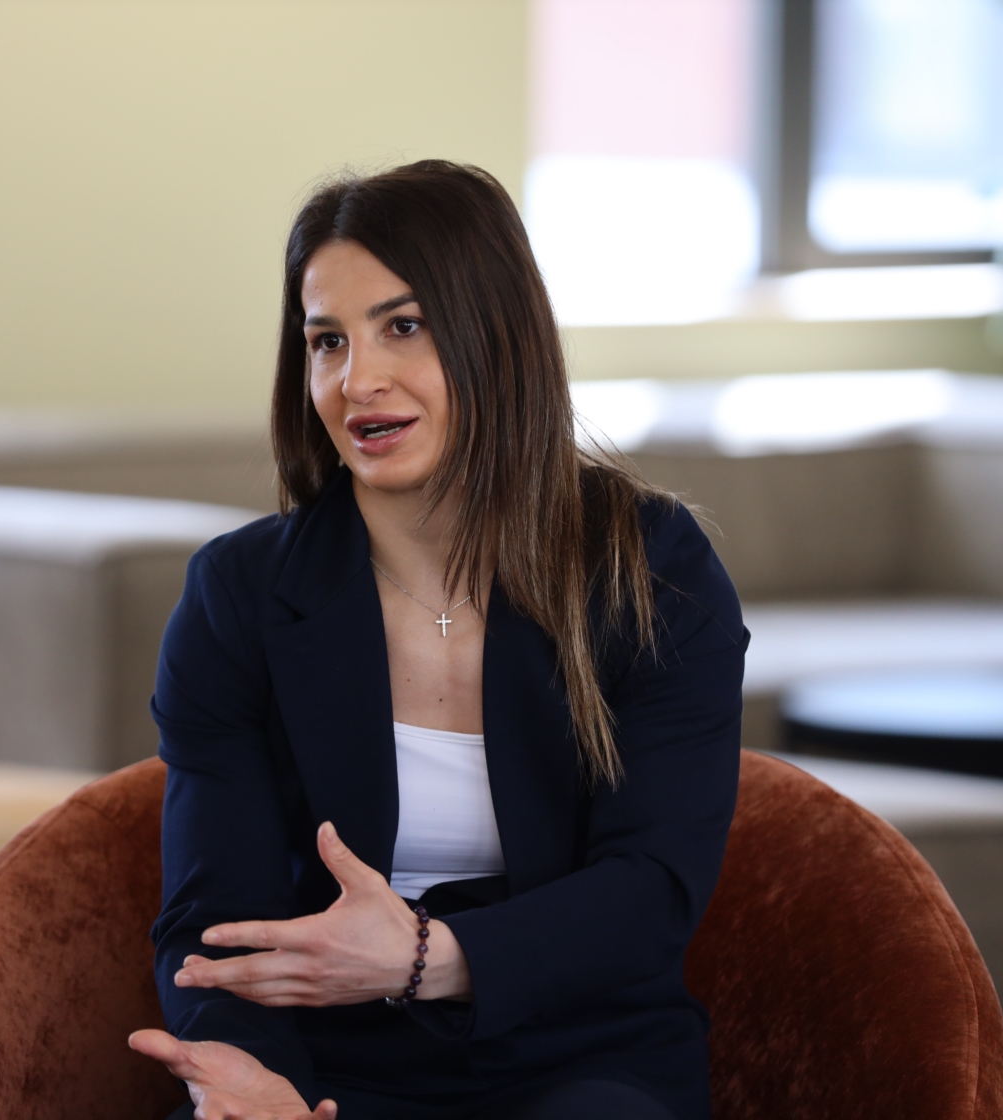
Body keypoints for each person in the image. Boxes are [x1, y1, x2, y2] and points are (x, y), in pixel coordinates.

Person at [128, 160, 746, 1120]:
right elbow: (216, 919)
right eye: (327, 341)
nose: (358, 380)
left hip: (582, 1057)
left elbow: (652, 890)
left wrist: (426, 958)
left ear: (498, 336)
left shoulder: (650, 566)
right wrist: (255, 1080)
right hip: (330, 1066)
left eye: (404, 326)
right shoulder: (237, 594)